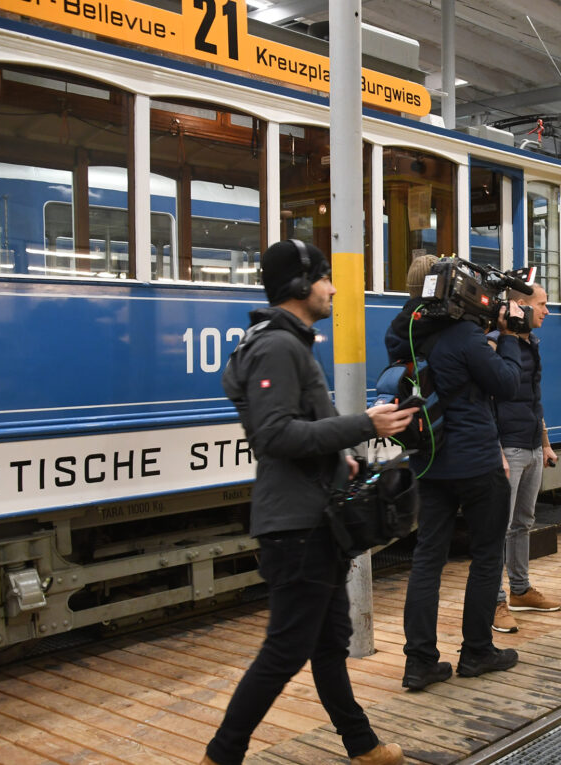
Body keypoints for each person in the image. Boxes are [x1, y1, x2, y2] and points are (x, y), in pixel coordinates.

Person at [206, 239, 414, 765]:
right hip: (297, 526)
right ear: (301, 285)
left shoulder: (291, 343)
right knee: (285, 650)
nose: (333, 287)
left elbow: (301, 432)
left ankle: (361, 745)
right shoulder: (278, 347)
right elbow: (275, 435)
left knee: (326, 644)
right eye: (324, 278)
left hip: (314, 521)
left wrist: (339, 458)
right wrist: (364, 423)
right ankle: (221, 755)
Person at [387, 262, 525, 691]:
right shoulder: (465, 336)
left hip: (430, 461)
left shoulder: (406, 332)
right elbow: (507, 384)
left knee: (428, 558)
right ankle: (477, 651)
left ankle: (420, 662)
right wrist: (509, 337)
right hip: (477, 463)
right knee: (485, 555)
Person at [490, 284, 561, 634]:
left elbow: (534, 399)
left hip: (531, 445)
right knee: (497, 527)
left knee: (523, 522)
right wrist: (496, 450)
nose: (547, 311)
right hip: (508, 448)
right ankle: (496, 602)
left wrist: (546, 444)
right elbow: (487, 404)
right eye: (543, 305)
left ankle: (519, 590)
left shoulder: (531, 343)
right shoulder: (494, 344)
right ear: (520, 306)